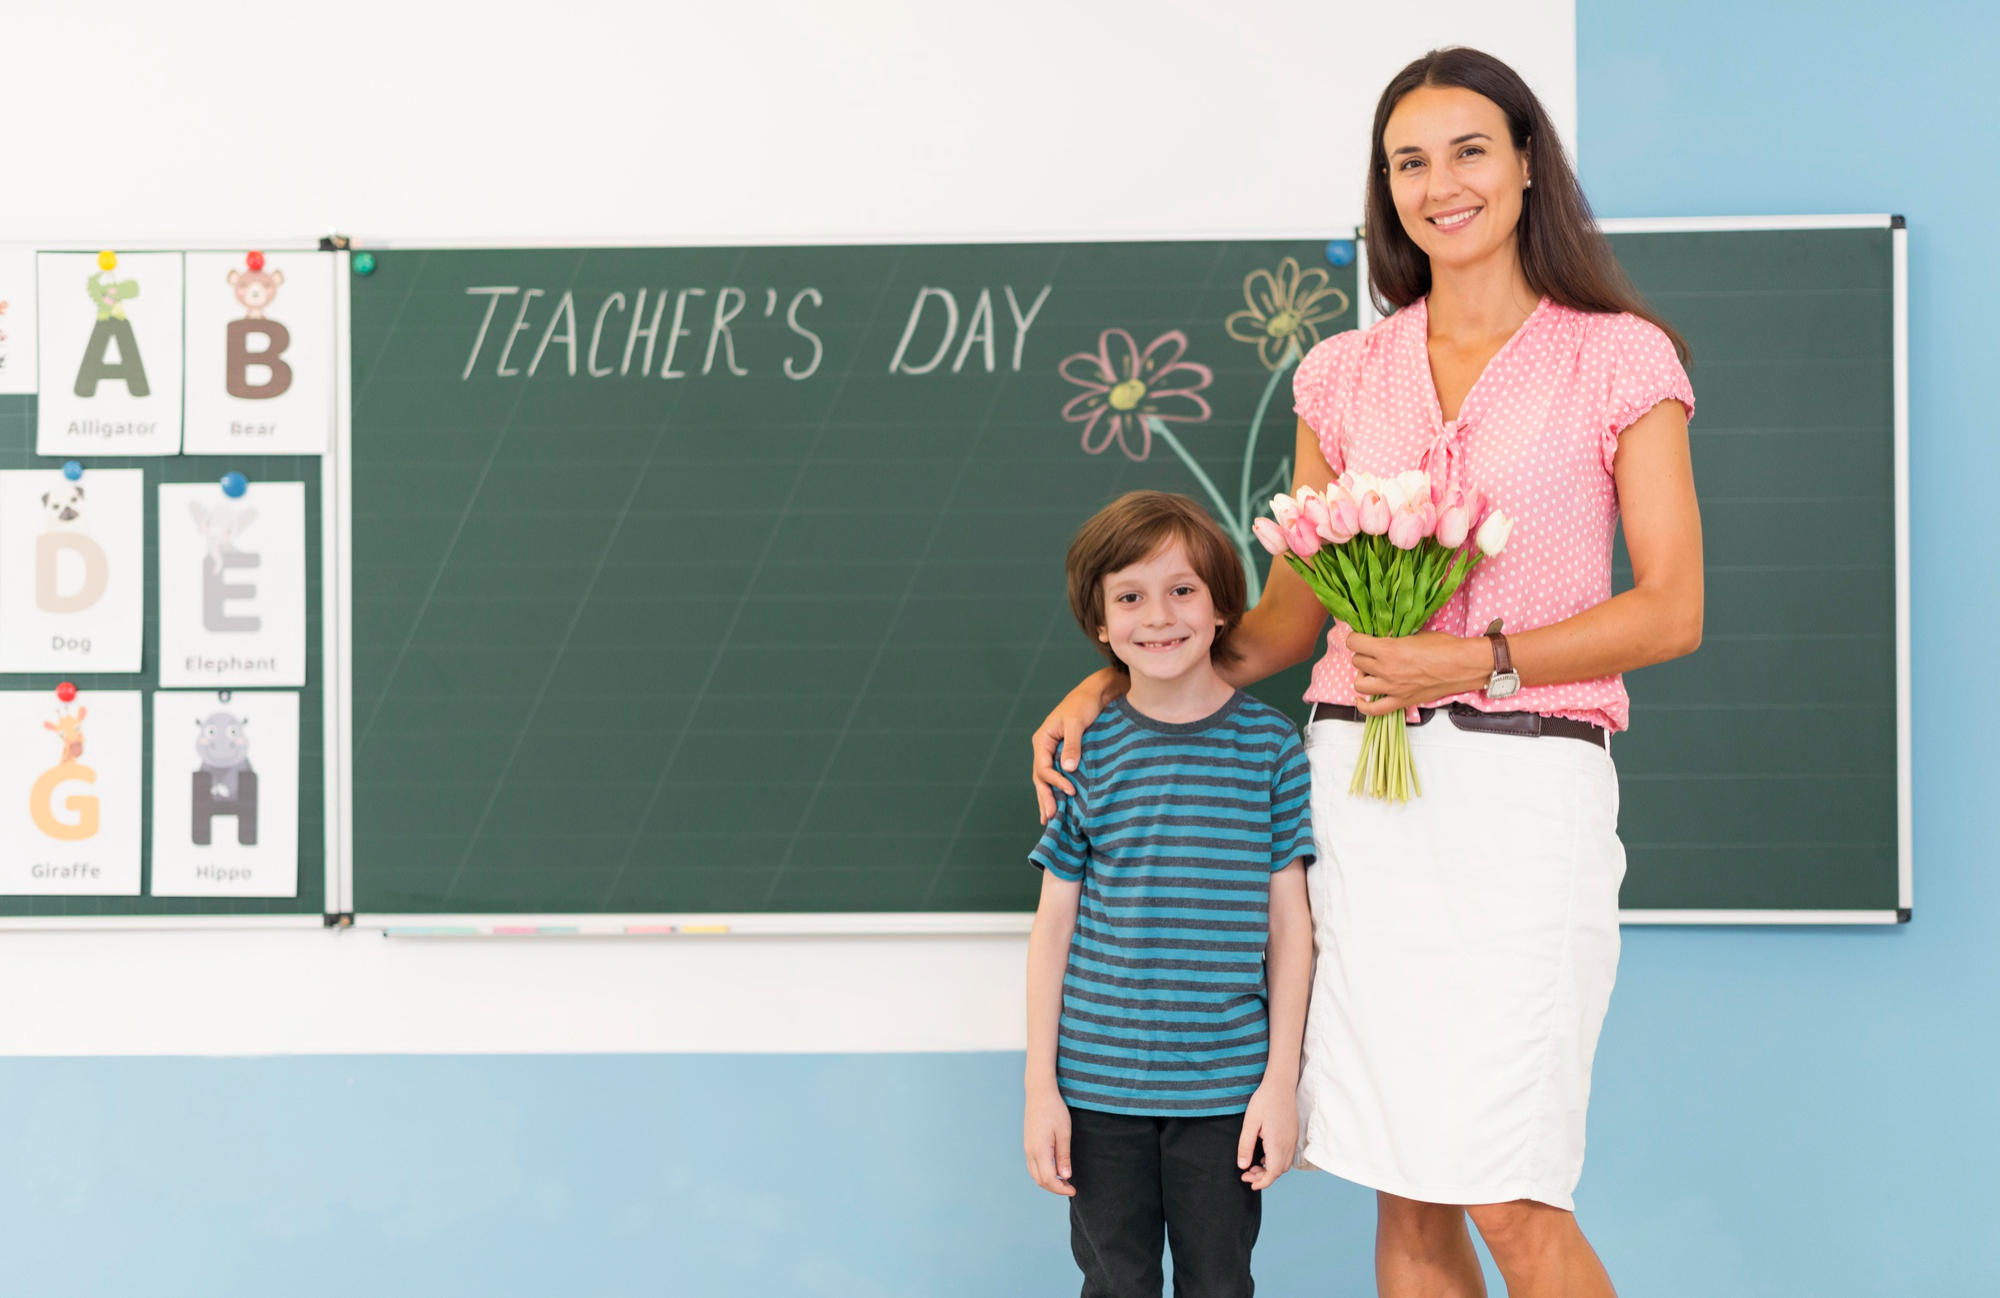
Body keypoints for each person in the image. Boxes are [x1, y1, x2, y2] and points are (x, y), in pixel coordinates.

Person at [1032, 47, 1704, 1298]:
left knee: (1506, 1188)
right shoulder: (1342, 372)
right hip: (1364, 795)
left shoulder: (1618, 358)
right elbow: (1287, 621)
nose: (1437, 184)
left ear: (1521, 167)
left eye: (1465, 151)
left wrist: (1478, 658)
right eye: (1407, 161)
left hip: (1527, 796)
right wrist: (1108, 682)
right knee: (1403, 1174)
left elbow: (1670, 610)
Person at [1023, 490, 1316, 1297]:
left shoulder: (1270, 749)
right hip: (1096, 1092)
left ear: (1224, 607)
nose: (1158, 616)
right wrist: (1039, 1089)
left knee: (1219, 1283)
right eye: (1130, 596)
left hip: (1226, 1091)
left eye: (1182, 589)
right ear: (1101, 624)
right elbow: (1053, 929)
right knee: (1117, 1284)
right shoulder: (1085, 752)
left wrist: (1278, 1085)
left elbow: (1290, 930)